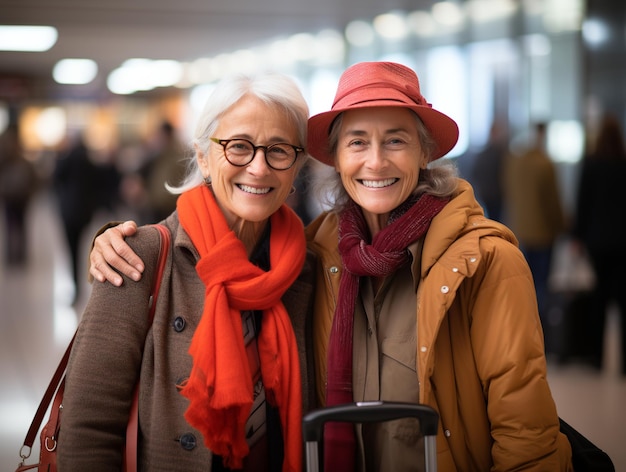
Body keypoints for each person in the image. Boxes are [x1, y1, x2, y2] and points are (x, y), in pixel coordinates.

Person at [89, 62, 573, 471]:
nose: (376, 162)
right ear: (336, 158)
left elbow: (526, 433)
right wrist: (109, 239)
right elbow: (90, 425)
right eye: (358, 141)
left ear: (425, 152)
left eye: (397, 141)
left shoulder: (481, 261)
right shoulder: (318, 253)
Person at [58, 71, 317, 471]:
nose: (259, 167)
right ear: (203, 156)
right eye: (239, 147)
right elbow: (88, 428)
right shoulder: (137, 258)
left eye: (279, 150)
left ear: (297, 165)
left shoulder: (308, 268)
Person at [571, 112, 626, 374]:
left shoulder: (591, 164)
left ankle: (597, 358)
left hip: (597, 241)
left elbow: (583, 203)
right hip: (622, 243)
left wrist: (577, 237)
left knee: (598, 300)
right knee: (623, 302)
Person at [503, 122, 566, 322]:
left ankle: (523, 324)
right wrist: (562, 226)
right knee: (540, 284)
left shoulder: (514, 162)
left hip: (519, 230)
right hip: (542, 233)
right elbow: (552, 202)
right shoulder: (545, 164)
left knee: (522, 283)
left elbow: (508, 192)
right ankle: (540, 328)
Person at [0, 122, 39, 266]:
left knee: (17, 227)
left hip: (18, 198)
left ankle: (17, 255)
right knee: (14, 227)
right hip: (13, 197)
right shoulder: (11, 162)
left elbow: (34, 180)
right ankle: (14, 255)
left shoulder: (22, 162)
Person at [469, 121, 508, 222]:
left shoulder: (488, 153)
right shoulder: (500, 154)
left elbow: (475, 172)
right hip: (494, 194)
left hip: (489, 194)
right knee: (497, 220)